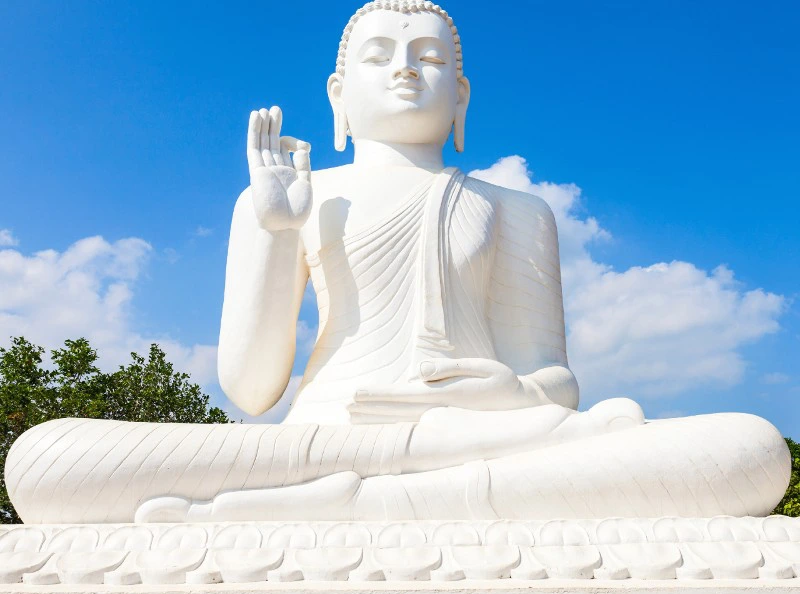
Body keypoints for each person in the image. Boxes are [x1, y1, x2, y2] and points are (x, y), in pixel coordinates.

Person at [5, 0, 790, 525]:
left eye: (428, 57)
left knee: (749, 450)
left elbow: (554, 377)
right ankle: (372, 490)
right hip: (321, 441)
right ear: (339, 96)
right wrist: (279, 232)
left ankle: (344, 509)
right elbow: (250, 392)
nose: (406, 70)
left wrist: (515, 391)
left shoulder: (517, 208)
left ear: (463, 98)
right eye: (380, 56)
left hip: (493, 432)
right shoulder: (285, 201)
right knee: (46, 460)